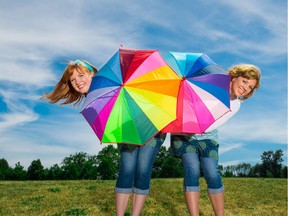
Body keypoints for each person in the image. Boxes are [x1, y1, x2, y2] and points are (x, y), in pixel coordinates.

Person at [42, 60, 164, 216]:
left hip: (151, 125)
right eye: (73, 80)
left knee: (143, 168)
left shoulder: (109, 81)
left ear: (91, 73)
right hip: (128, 129)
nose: (78, 82)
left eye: (81, 75)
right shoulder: (92, 100)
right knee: (127, 169)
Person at [170, 64, 261, 216]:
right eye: (245, 81)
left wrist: (199, 119)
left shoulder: (235, 104)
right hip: (184, 132)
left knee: (212, 173)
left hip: (208, 136)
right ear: (234, 77)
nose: (246, 88)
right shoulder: (213, 84)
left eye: (250, 87)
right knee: (192, 169)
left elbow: (211, 125)